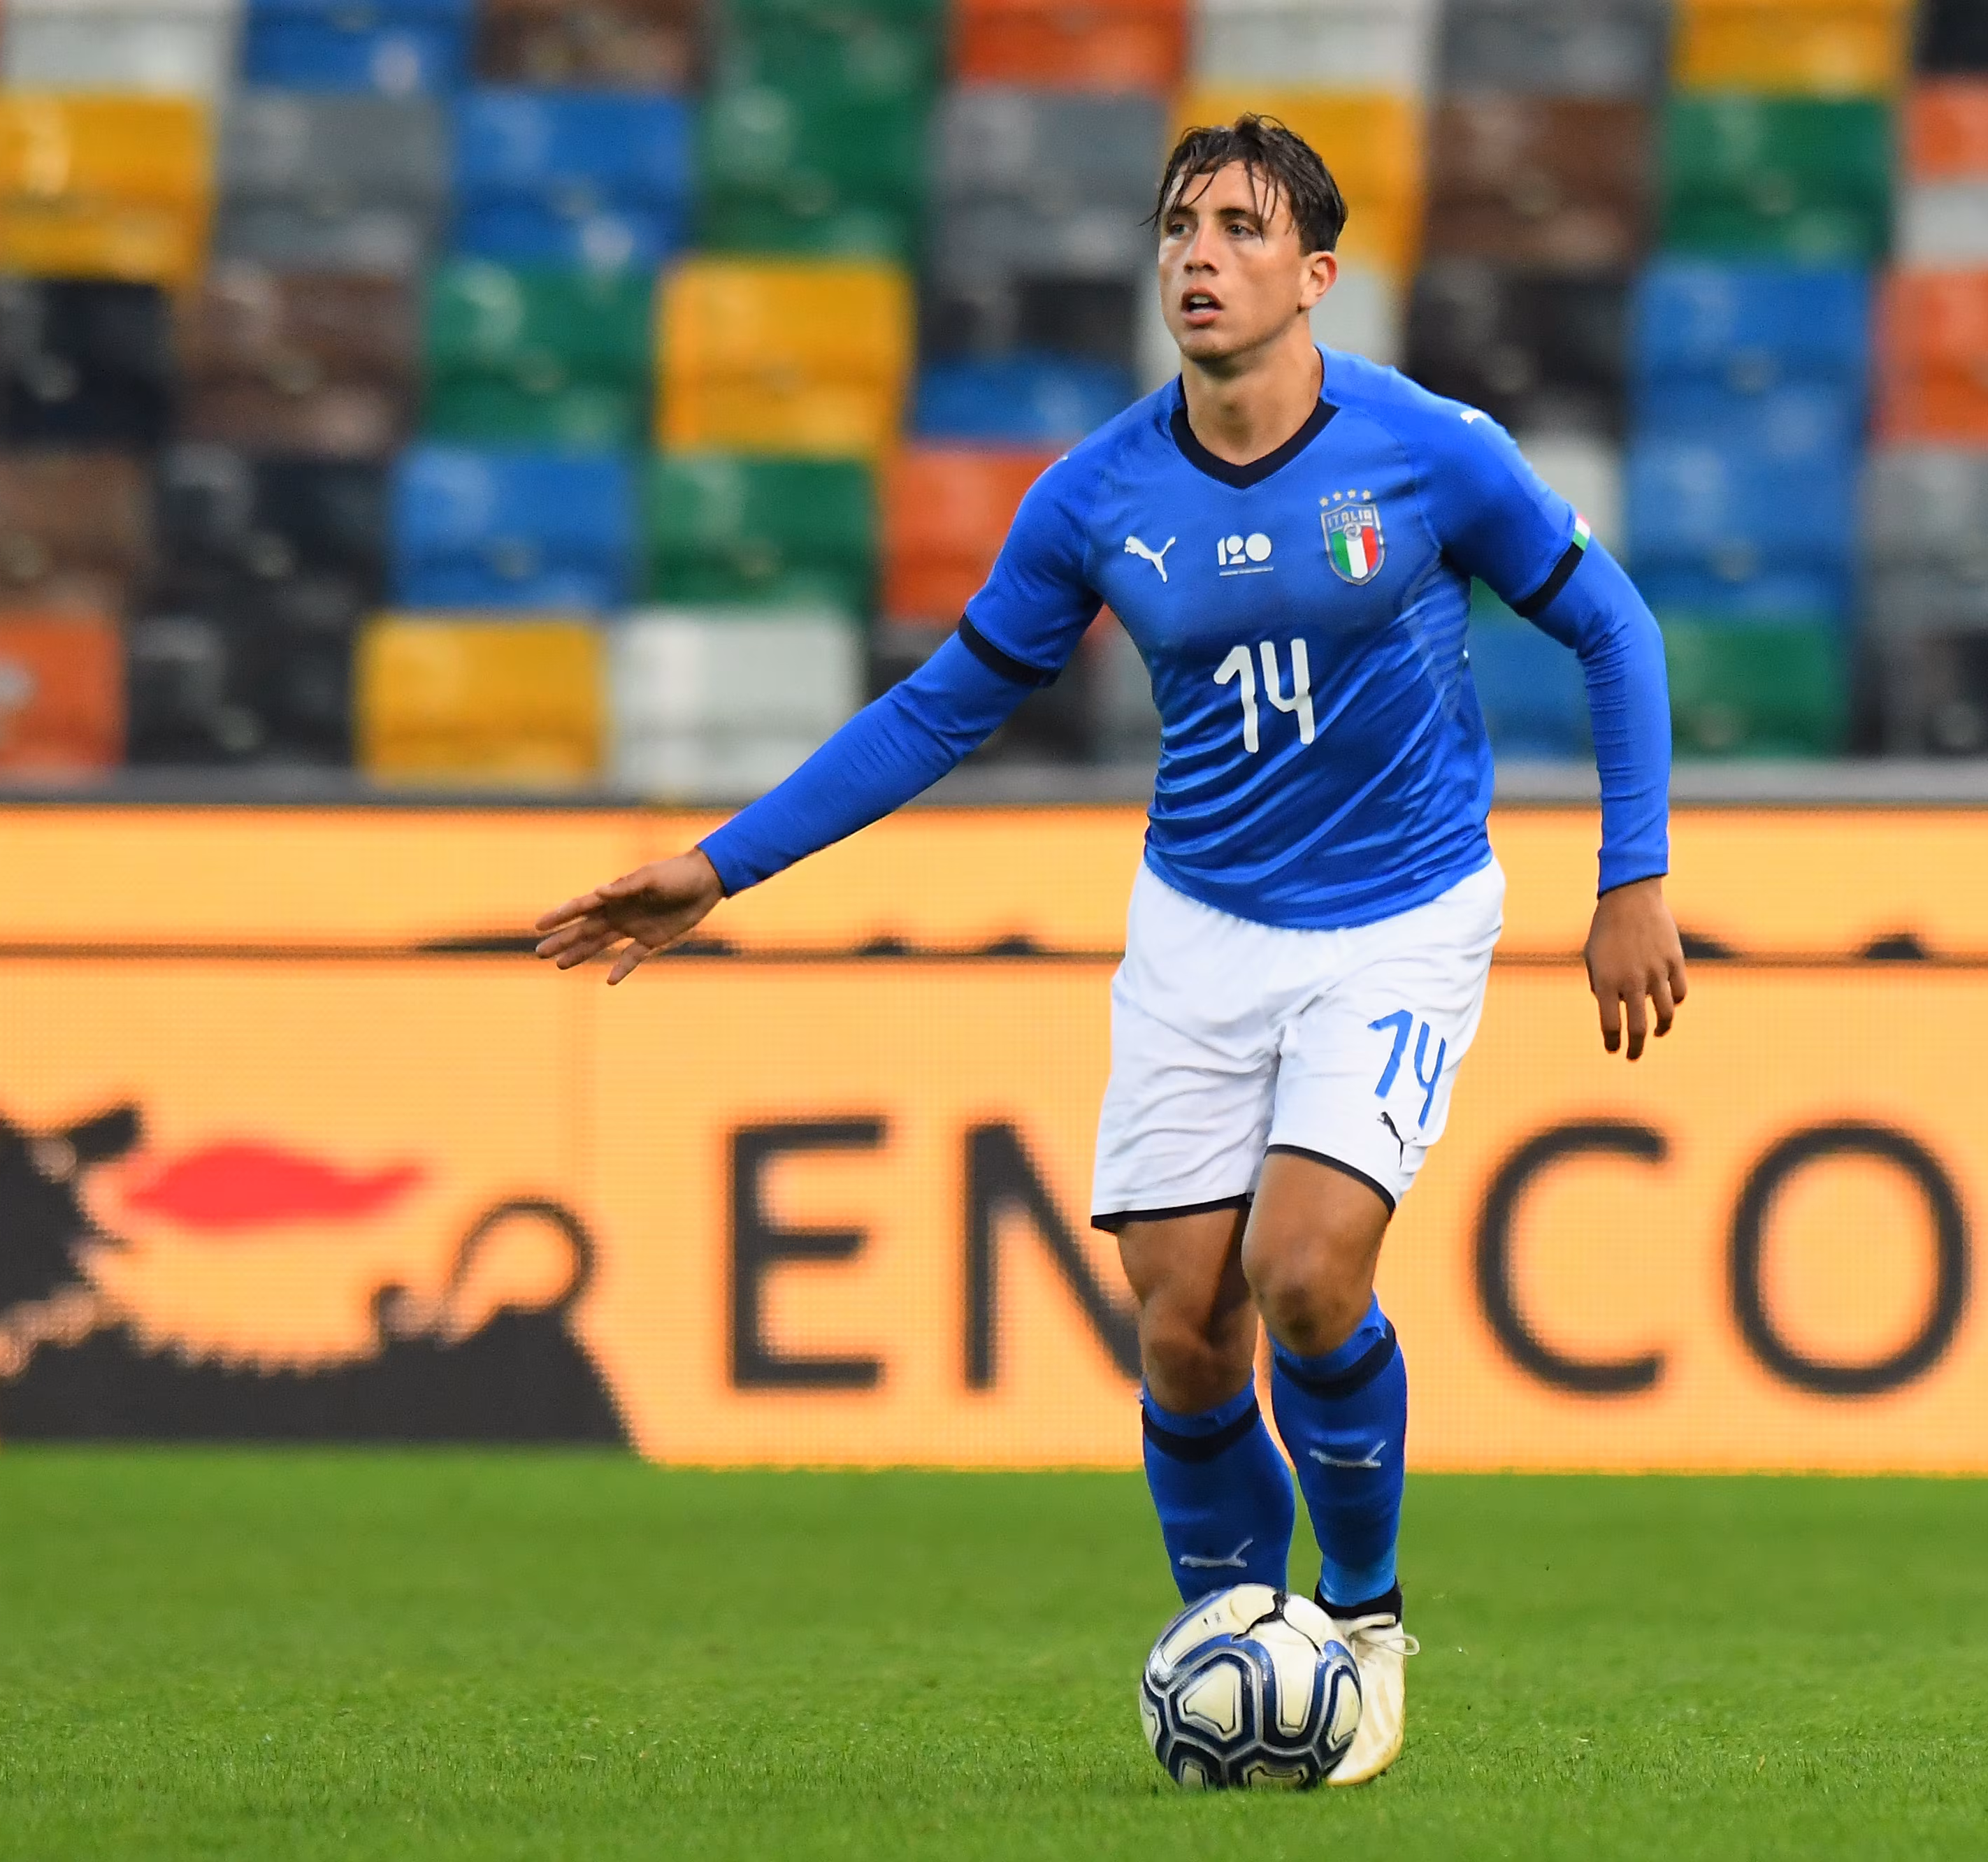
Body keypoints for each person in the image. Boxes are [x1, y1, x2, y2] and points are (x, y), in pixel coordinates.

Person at [533, 115, 1683, 1787]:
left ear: (1315, 274)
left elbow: (1610, 622)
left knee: (1302, 1275)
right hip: (1201, 928)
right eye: (1177, 225)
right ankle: (1231, 1657)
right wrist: (721, 866)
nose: (1197, 254)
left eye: (1236, 226)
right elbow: (944, 706)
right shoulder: (1095, 497)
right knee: (1177, 1324)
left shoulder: (1427, 453)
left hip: (1398, 917)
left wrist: (1629, 878)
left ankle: (1358, 1628)